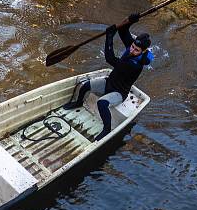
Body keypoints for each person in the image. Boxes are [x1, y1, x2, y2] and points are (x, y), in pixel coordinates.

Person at [64, 13, 154, 141]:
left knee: (102, 103)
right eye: (132, 47)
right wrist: (131, 20)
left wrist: (109, 36)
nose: (132, 50)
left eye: (136, 50)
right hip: (109, 83)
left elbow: (110, 58)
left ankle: (106, 129)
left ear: (143, 51)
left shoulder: (136, 65)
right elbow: (123, 30)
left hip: (119, 92)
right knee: (85, 86)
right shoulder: (132, 47)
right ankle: (78, 103)